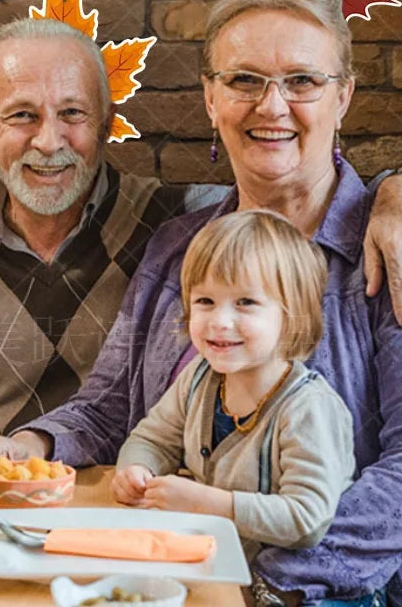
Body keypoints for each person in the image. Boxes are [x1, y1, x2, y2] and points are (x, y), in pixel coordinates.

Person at [0, 0, 402, 607]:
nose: (272, 105)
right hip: (167, 577)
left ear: (343, 96)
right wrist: (29, 443)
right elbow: (112, 407)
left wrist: (251, 575)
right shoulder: (178, 246)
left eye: (303, 81)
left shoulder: (388, 246)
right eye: (244, 80)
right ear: (210, 98)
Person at [0, 17, 226, 459]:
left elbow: (285, 197)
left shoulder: (179, 221)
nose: (50, 141)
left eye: (72, 113)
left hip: (132, 508)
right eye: (22, 115)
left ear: (107, 125)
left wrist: (375, 193)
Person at [113, 209, 354, 564]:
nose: (220, 321)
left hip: (310, 587)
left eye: (246, 303)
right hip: (221, 568)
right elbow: (151, 439)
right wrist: (136, 471)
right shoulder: (199, 377)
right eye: (205, 301)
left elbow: (306, 519)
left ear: (292, 315)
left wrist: (206, 503)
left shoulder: (308, 407)